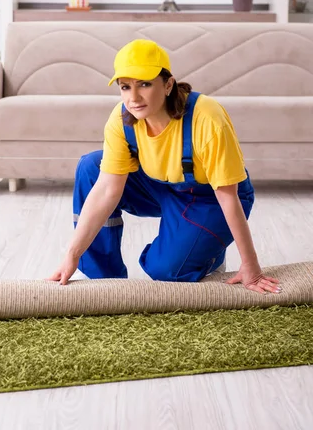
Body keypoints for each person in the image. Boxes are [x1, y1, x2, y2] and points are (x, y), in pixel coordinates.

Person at [48, 39, 281, 294]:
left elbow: (227, 196)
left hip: (210, 198)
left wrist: (252, 267)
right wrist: (71, 254)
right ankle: (106, 282)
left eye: (145, 84)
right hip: (158, 186)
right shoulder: (121, 119)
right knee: (91, 167)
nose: (133, 98)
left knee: (166, 271)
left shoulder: (207, 118)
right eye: (125, 87)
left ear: (168, 84)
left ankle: (209, 254)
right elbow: (106, 190)